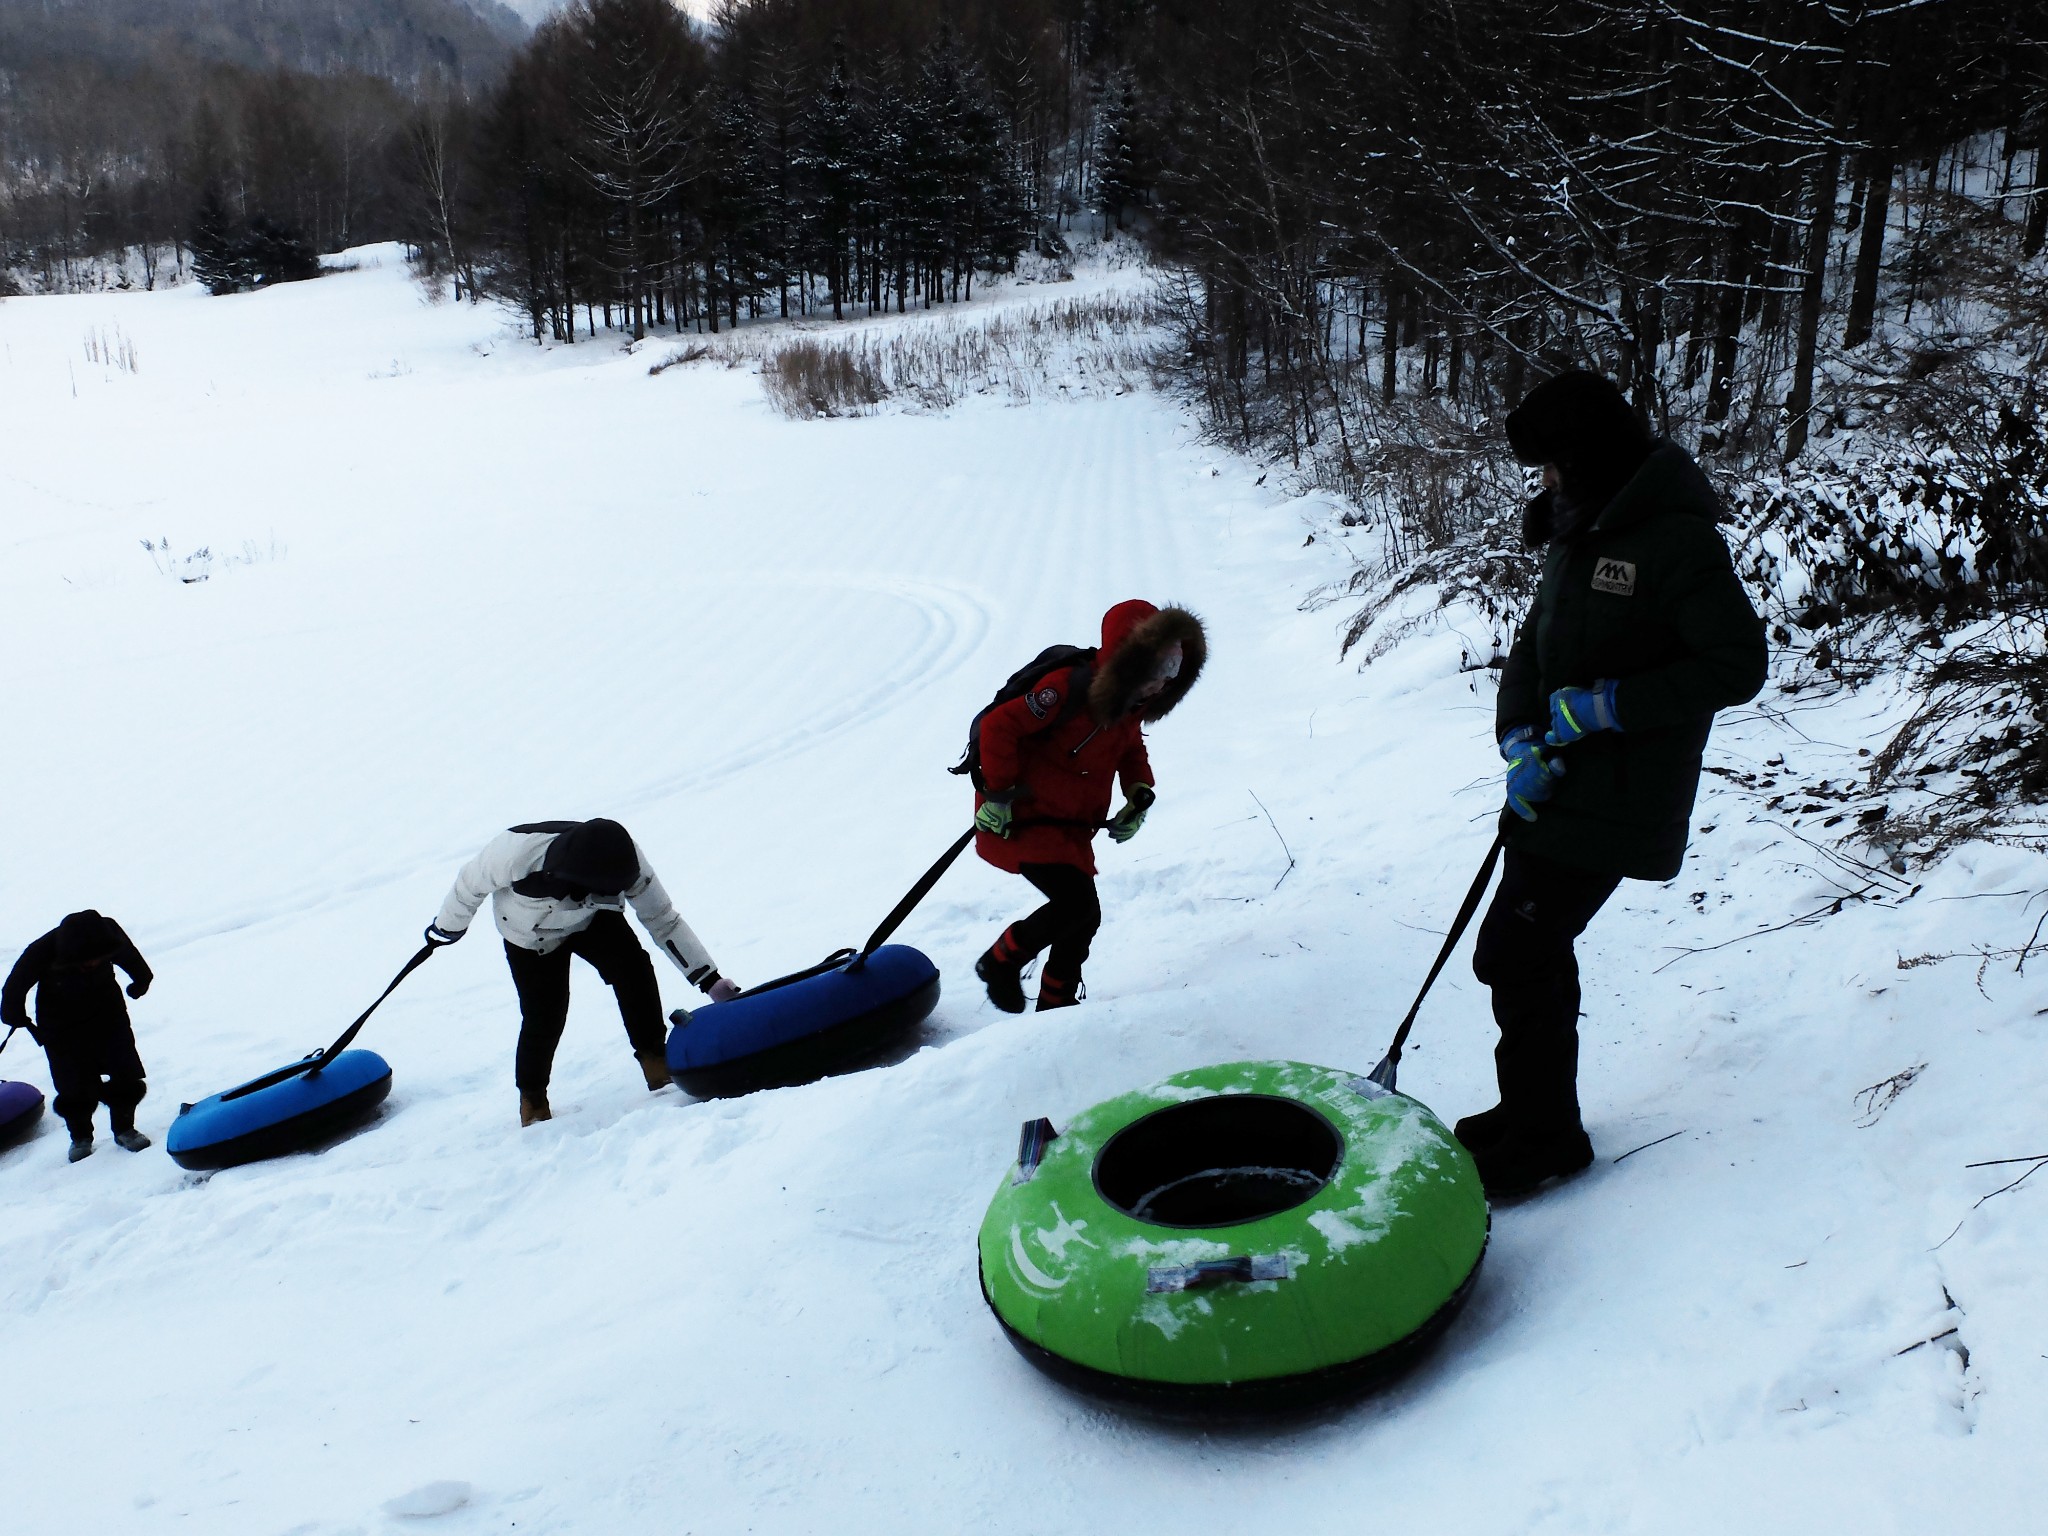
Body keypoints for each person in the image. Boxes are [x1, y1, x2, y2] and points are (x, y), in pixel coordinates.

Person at [1459, 369, 1768, 1197]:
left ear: (1587, 454)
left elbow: (1737, 665)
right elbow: (1534, 642)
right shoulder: (1577, 530)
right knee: (1528, 952)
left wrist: (1610, 707)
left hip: (1620, 792)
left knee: (1516, 952)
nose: (1545, 481)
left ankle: (1544, 1137)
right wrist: (1519, 734)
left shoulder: (1674, 540)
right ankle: (1535, 1115)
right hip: (1557, 783)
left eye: (1552, 463)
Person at [971, 600, 1207, 1012]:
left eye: (1174, 670)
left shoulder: (1130, 704)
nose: (1165, 682)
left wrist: (1139, 791)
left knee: (1084, 914)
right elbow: (998, 728)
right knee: (1076, 907)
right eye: (1159, 670)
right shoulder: (1066, 688)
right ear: (1128, 661)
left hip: (1069, 823)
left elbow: (1130, 749)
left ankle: (1055, 1000)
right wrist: (1000, 794)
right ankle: (1000, 962)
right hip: (1023, 816)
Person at [426, 818, 741, 1126]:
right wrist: (447, 929)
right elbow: (467, 887)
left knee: (634, 970)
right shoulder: (513, 853)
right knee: (545, 1015)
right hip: (530, 935)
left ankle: (656, 1061)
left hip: (592, 919)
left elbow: (662, 919)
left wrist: (709, 979)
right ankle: (533, 1100)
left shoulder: (624, 858)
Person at [2, 911, 156, 1162]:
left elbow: (131, 957)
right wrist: (14, 1014)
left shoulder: (108, 936)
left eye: (98, 960)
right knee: (72, 1083)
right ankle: (81, 1137)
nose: (92, 964)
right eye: (86, 961)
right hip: (60, 1022)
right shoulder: (43, 949)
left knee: (125, 1071)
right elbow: (15, 985)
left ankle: (125, 1129)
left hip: (108, 1012)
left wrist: (140, 981)